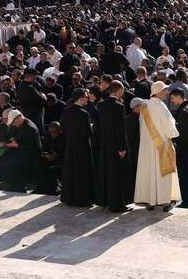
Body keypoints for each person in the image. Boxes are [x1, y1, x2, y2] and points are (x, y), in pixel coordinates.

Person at [134, 81, 181, 212]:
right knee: (163, 174)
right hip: (162, 145)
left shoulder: (144, 106)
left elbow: (141, 126)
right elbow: (169, 126)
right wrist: (174, 133)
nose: (166, 93)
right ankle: (165, 201)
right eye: (164, 90)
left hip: (147, 146)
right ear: (158, 92)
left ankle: (151, 201)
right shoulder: (161, 106)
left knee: (149, 172)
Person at [94, 81, 133, 212]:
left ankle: (105, 200)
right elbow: (121, 129)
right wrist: (122, 148)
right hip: (116, 145)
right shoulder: (119, 106)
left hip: (105, 144)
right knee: (117, 174)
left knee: (106, 172)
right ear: (119, 90)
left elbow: (97, 126)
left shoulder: (100, 105)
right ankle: (117, 204)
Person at [0, 109, 40, 192]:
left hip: (30, 154)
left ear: (18, 118)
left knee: (9, 164)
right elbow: (16, 138)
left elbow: (33, 147)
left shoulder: (30, 128)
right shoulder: (20, 124)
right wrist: (3, 144)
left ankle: (18, 187)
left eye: (13, 122)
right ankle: (7, 185)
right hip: (19, 151)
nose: (13, 124)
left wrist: (16, 145)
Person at [59, 89, 95, 207]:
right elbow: (88, 133)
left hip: (70, 145)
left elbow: (63, 128)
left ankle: (69, 197)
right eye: (85, 96)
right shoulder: (84, 114)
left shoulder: (65, 111)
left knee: (70, 170)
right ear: (80, 98)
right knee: (82, 172)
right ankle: (82, 198)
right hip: (82, 146)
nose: (87, 98)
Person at [170, 89, 188, 208]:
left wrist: (174, 140)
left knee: (185, 174)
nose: (172, 101)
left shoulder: (182, 111)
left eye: (173, 98)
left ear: (178, 97)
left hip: (184, 146)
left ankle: (187, 201)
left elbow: (182, 133)